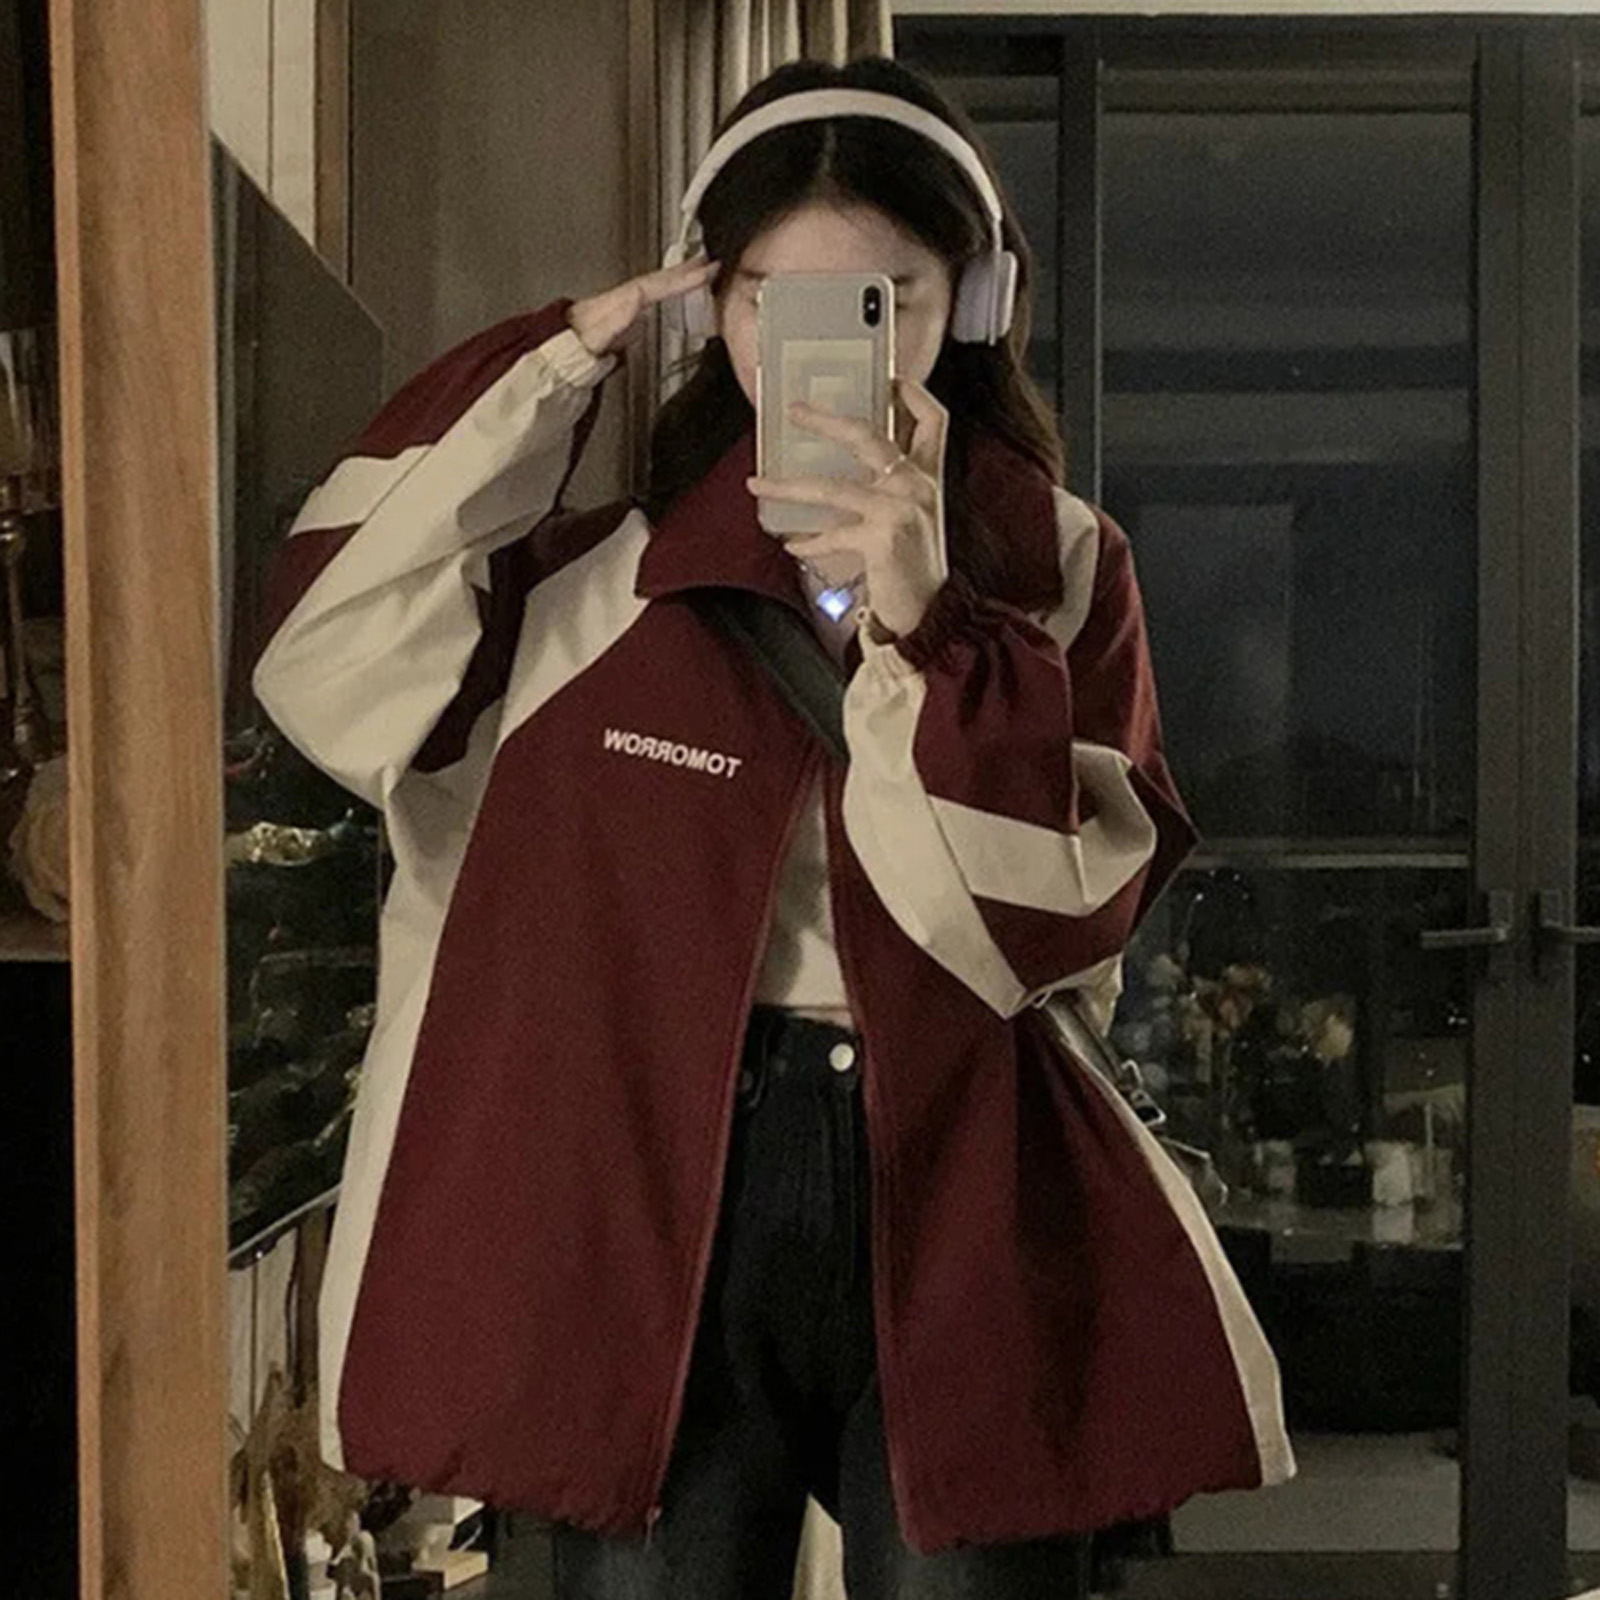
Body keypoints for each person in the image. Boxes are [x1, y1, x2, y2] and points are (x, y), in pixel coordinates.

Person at [254, 54, 1293, 1600]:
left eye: (886, 298)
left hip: (963, 1174)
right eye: (767, 299)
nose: (823, 344)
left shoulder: (1060, 573)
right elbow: (321, 659)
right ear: (715, 307)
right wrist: (560, 360)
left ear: (971, 305)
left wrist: (930, 620)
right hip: (640, 1180)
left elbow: (1030, 923)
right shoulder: (601, 581)